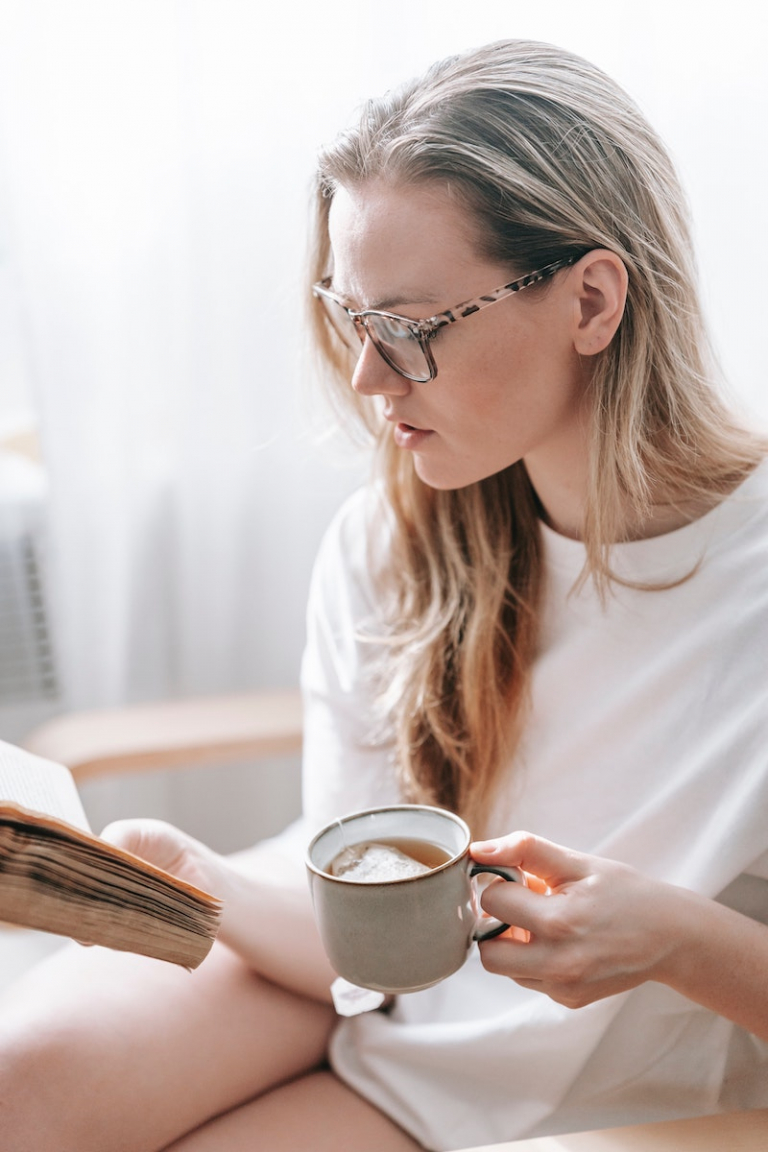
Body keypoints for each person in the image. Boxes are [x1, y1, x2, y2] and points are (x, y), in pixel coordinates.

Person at [1, 37, 767, 1152]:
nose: (366, 379)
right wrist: (199, 879)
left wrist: (678, 941)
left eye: (407, 331)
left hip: (605, 1103)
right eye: (353, 320)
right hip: (393, 1026)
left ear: (593, 301)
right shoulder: (393, 542)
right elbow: (372, 950)